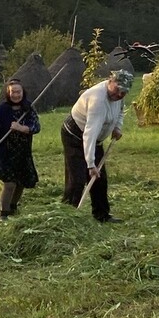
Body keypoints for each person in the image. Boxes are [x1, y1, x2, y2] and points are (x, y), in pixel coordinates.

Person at [61, 69, 134, 223]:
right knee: (78, 179)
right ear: (110, 81)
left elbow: (120, 111)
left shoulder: (119, 96)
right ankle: (66, 218)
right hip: (75, 136)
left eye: (123, 92)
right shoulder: (97, 100)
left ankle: (102, 215)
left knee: (100, 178)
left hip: (96, 139)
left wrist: (117, 127)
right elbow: (89, 135)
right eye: (117, 90)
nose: (119, 95)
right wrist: (90, 164)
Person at [0, 78, 40, 221]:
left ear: (23, 92)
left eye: (18, 92)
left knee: (21, 181)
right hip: (4, 151)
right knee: (9, 183)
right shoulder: (1, 109)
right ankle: (4, 213)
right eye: (13, 92)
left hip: (22, 151)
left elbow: (36, 127)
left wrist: (21, 128)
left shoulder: (28, 108)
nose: (16, 95)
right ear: (8, 93)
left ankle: (13, 207)